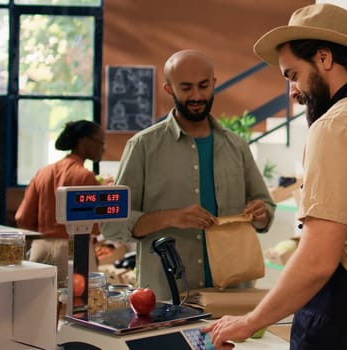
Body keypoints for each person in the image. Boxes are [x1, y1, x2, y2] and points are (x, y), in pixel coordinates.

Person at [204, 4, 347, 350]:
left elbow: (317, 260)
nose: (292, 92)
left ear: (324, 58)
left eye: (292, 75)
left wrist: (249, 322)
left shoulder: (335, 126)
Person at [100, 49, 276, 301]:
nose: (196, 96)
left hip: (232, 296)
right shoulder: (143, 147)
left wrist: (261, 214)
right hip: (165, 297)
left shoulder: (237, 146)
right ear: (168, 89)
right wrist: (171, 217)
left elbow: (266, 209)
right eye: (186, 88)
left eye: (203, 86)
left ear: (214, 84)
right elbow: (112, 224)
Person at [15, 119, 105, 287]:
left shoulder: (43, 172)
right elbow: (95, 226)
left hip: (40, 247)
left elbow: (22, 217)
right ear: (84, 141)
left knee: (37, 307)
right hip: (74, 249)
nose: (103, 148)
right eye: (101, 142)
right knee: (79, 307)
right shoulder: (85, 176)